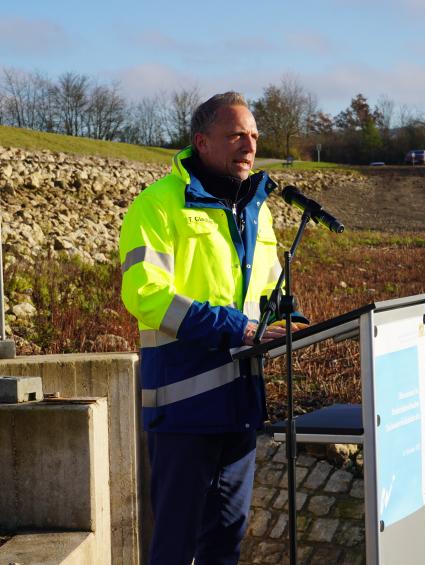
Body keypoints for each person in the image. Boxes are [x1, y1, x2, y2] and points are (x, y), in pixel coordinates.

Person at [119, 92, 305, 564]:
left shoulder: (258, 211)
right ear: (202, 142)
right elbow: (145, 295)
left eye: (255, 136)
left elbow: (261, 294)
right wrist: (237, 329)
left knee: (227, 542)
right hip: (184, 404)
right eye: (236, 135)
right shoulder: (158, 206)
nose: (249, 146)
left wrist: (284, 316)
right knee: (175, 548)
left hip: (240, 405)